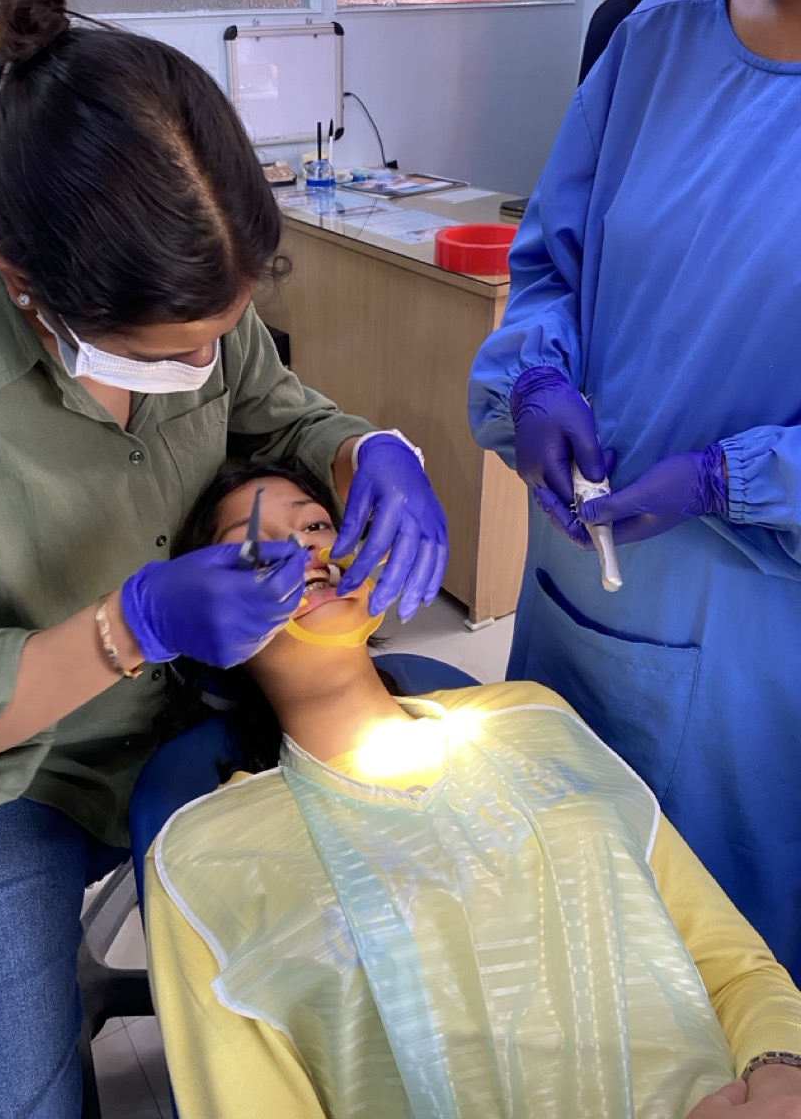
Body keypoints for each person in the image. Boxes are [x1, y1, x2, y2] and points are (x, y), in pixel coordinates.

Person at [0, 0, 448, 1118]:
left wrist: (373, 452)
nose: (200, 368)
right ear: (27, 285)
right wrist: (134, 624)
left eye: (213, 341)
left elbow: (279, 405)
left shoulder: (186, 296)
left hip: (181, 706)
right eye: (168, 353)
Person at [144, 464, 801, 1119]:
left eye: (317, 523)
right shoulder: (205, 860)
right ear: (204, 627)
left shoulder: (532, 719)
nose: (304, 549)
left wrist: (781, 1073)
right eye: (255, 548)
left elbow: (736, 969)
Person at [469, 0, 801, 990]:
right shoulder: (661, 35)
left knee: (715, 982)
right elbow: (549, 257)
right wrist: (541, 375)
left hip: (758, 652)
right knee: (554, 929)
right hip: (578, 603)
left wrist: (734, 479)